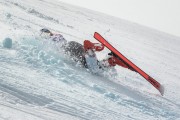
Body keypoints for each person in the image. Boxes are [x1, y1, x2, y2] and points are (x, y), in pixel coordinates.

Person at [40, 28, 135, 73]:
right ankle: (108, 57)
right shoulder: (57, 37)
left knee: (93, 63)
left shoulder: (52, 40)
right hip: (78, 51)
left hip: (77, 53)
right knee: (102, 64)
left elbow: (58, 48)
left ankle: (91, 48)